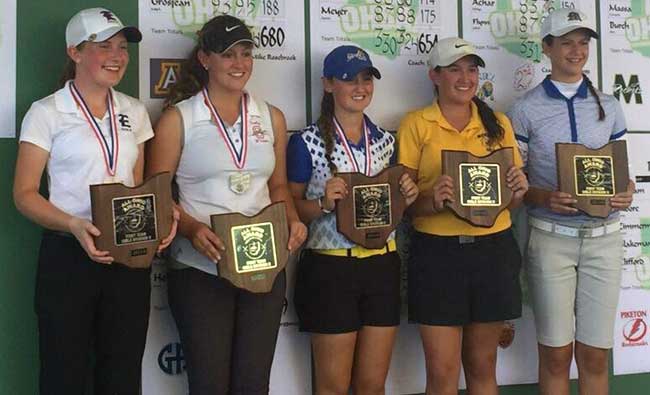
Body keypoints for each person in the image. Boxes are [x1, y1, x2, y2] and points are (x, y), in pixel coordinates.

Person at [13, 8, 177, 395]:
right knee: (63, 373)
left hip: (128, 257)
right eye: (104, 46)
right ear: (75, 52)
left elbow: (137, 188)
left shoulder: (134, 111)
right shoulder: (47, 112)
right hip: (68, 255)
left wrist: (162, 213)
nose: (118, 56)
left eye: (122, 47)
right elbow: (23, 194)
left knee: (121, 373)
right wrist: (72, 224)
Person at [145, 14, 307, 395]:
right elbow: (157, 195)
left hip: (262, 265)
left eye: (246, 53)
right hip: (201, 267)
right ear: (205, 59)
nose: (239, 63)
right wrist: (190, 229)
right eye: (227, 54)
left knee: (253, 384)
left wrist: (294, 219)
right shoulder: (178, 119)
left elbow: (279, 186)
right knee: (209, 384)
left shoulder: (272, 117)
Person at [507, 8, 634, 395]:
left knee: (595, 357)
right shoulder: (525, 108)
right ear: (547, 48)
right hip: (551, 239)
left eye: (582, 42)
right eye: (566, 43)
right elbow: (515, 184)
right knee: (556, 356)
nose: (576, 51)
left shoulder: (609, 105)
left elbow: (617, 169)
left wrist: (626, 188)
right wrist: (543, 195)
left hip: (605, 240)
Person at [397, 37, 528, 395]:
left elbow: (509, 204)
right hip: (437, 255)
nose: (465, 77)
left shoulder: (498, 123)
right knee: (442, 373)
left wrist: (516, 193)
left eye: (471, 69)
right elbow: (404, 205)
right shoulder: (416, 124)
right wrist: (431, 199)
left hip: (494, 252)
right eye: (454, 69)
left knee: (483, 367)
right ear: (434, 75)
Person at [287, 45, 419, 395]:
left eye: (366, 79)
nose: (360, 87)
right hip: (331, 270)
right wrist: (322, 204)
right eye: (349, 80)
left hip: (382, 266)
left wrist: (408, 196)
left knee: (373, 386)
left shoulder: (386, 141)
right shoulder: (306, 142)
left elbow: (394, 210)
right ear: (328, 84)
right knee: (332, 387)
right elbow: (291, 209)